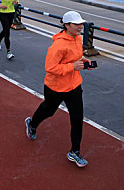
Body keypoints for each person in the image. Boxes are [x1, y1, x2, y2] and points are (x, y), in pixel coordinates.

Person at [24, 11, 95, 168]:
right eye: (77, 24)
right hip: (55, 87)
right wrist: (72, 67)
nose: (80, 27)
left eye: (81, 23)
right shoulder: (58, 45)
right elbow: (49, 67)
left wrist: (83, 61)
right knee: (48, 111)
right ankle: (32, 124)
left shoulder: (78, 39)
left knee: (77, 119)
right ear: (67, 25)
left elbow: (75, 58)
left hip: (74, 85)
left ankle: (74, 152)